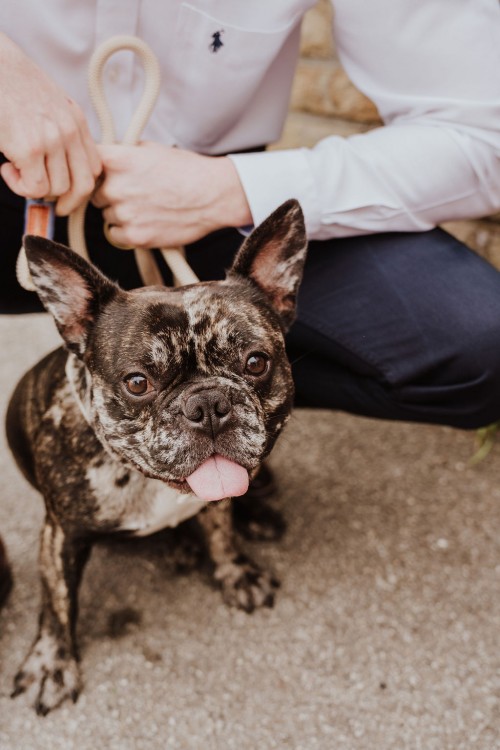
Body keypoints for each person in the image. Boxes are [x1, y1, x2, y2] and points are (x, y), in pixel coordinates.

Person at [1, 1, 500, 605]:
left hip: (213, 195)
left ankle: (243, 413)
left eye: (255, 364)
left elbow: (481, 133)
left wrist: (230, 189)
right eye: (139, 382)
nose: (203, 406)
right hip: (17, 180)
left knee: (477, 338)